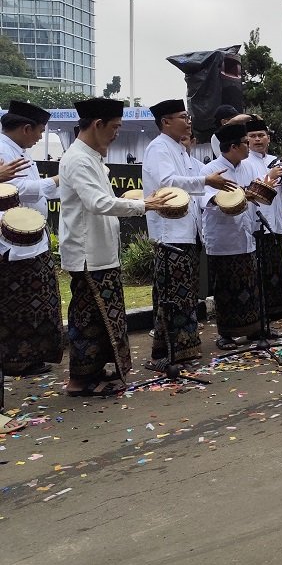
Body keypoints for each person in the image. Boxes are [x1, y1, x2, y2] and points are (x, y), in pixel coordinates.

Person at [59, 98, 175, 396]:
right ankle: (80, 380)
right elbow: (98, 203)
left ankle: (94, 373)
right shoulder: (78, 159)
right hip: (88, 255)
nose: (115, 134)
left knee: (101, 320)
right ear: (97, 125)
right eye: (114, 128)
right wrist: (144, 205)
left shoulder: (92, 156)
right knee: (88, 321)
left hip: (101, 253)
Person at [143, 99, 237, 371]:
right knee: (172, 296)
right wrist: (206, 181)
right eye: (183, 117)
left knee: (184, 296)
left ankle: (184, 348)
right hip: (170, 233)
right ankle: (164, 353)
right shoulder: (158, 148)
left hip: (187, 231)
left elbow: (199, 180)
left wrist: (210, 182)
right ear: (166, 122)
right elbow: (166, 183)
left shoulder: (181, 151)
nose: (188, 121)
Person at [0, 101, 65, 379]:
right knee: (20, 305)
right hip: (13, 243)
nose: (40, 137)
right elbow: (18, 190)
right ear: (26, 128)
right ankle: (17, 359)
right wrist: (58, 180)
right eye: (39, 131)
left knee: (37, 301)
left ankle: (31, 356)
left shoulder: (16, 150)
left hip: (30, 240)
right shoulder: (3, 150)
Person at [201, 123, 275, 344]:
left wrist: (260, 189)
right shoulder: (211, 170)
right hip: (223, 239)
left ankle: (255, 329)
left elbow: (258, 190)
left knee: (250, 287)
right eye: (245, 142)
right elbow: (204, 199)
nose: (248, 146)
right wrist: (232, 198)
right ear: (233, 146)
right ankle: (226, 334)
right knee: (226, 289)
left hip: (247, 235)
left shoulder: (248, 167)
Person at [246, 118, 282, 320]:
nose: (258, 139)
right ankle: (262, 311)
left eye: (261, 135)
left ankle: (278, 308)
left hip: (275, 222)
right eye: (253, 136)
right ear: (247, 140)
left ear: (268, 138)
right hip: (257, 224)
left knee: (277, 268)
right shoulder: (244, 162)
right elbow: (251, 190)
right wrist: (270, 174)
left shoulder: (276, 159)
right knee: (260, 269)